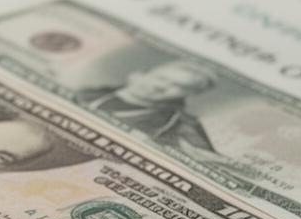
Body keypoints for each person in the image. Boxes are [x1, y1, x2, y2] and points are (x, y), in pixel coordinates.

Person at [75, 60, 218, 152]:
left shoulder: (182, 126)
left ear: (189, 95)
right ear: (137, 75)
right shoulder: (84, 93)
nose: (160, 86)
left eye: (178, 87)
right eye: (161, 78)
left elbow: (205, 160)